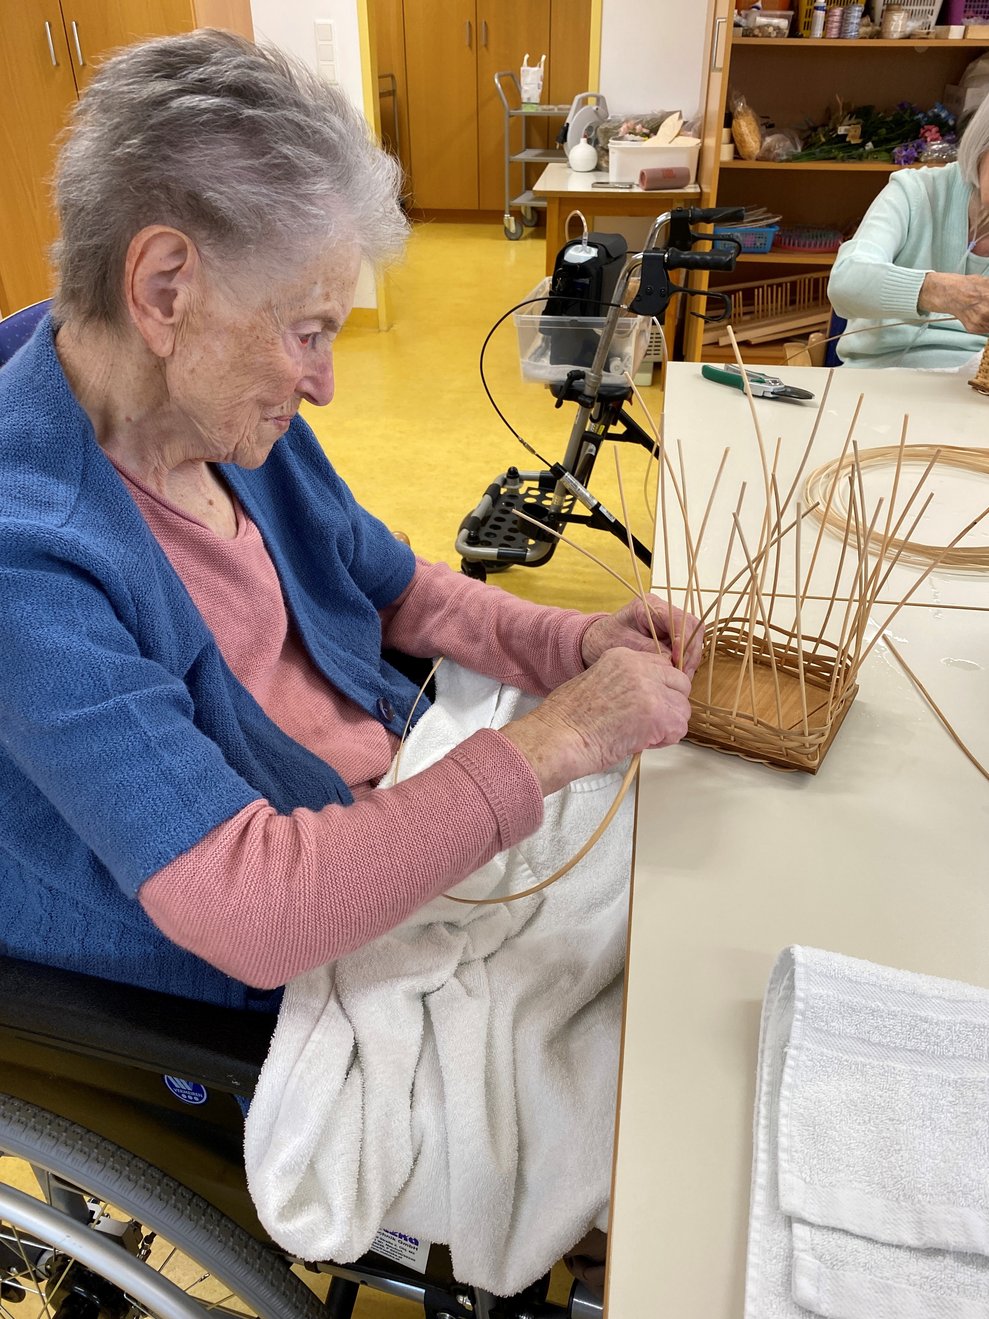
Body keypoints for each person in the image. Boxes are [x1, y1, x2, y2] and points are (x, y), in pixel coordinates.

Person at [0, 30, 700, 1300]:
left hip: (384, 783)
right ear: (163, 286)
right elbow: (252, 910)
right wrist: (555, 737)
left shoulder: (214, 411)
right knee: (656, 1101)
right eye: (306, 331)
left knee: (689, 908)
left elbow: (390, 587)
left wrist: (571, 640)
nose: (325, 383)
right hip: (253, 925)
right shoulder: (26, 556)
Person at [827, 93, 989, 369]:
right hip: (878, 377)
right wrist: (942, 291)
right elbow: (845, 281)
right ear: (981, 147)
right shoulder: (915, 192)